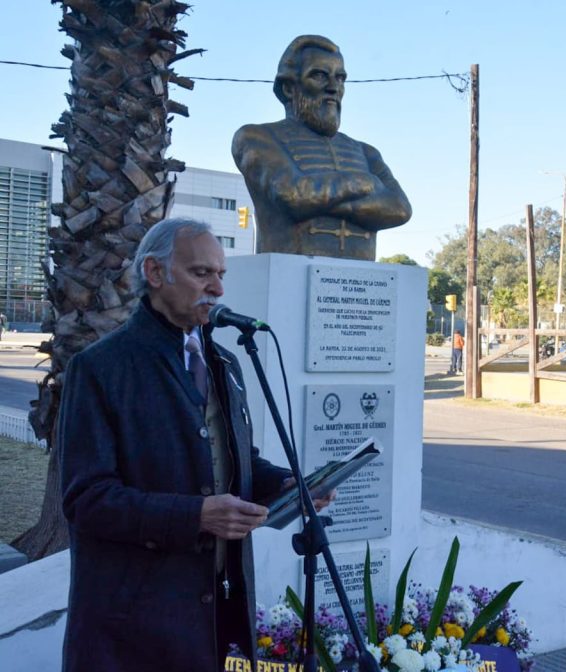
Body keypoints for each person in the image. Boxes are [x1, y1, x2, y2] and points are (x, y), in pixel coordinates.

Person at [59, 218, 333, 671]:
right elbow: (86, 500)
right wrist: (196, 516)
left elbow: (234, 462)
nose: (218, 289)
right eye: (202, 273)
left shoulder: (224, 362)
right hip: (133, 629)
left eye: (221, 275)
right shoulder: (101, 368)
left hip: (213, 620)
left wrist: (289, 485)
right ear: (154, 272)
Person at [232, 35, 412, 261]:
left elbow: (400, 209)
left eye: (340, 78)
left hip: (362, 283)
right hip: (287, 272)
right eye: (319, 76)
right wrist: (365, 183)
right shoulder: (255, 137)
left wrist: (319, 203)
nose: (333, 87)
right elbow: (293, 195)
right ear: (288, 87)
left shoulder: (366, 152)